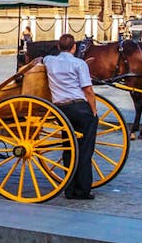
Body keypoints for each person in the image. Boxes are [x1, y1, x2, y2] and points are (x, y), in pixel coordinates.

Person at [43, 33, 97, 200]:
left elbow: (38, 60)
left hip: (61, 110)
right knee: (85, 150)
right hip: (79, 108)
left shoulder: (49, 61)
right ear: (74, 47)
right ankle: (82, 190)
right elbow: (88, 90)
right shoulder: (79, 63)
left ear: (59, 47)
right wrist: (94, 112)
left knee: (69, 148)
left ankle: (69, 188)